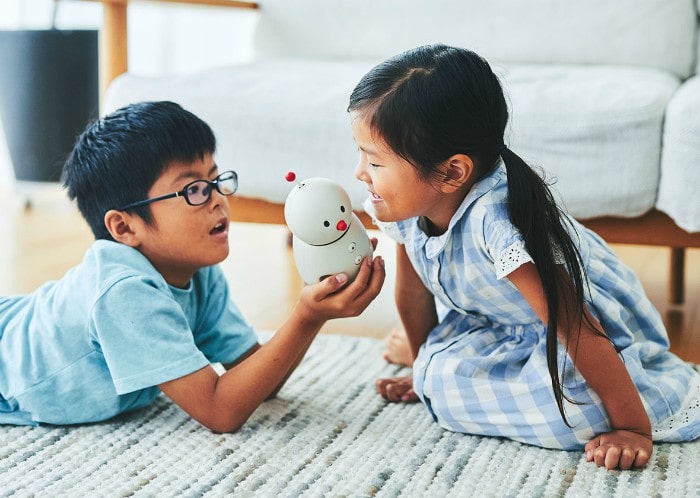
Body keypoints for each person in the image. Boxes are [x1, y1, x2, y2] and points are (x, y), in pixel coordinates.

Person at [348, 44, 700, 471]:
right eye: (362, 156)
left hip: (580, 330)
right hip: (503, 326)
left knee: (573, 414)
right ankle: (424, 366)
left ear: (452, 172)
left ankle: (637, 401)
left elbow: (574, 324)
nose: (360, 173)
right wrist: (423, 373)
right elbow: (413, 296)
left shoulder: (498, 222)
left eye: (375, 161)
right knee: (436, 381)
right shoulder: (403, 208)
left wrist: (632, 428)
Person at [0, 101, 385, 432]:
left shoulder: (198, 272)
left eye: (216, 180)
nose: (218, 200)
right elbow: (220, 411)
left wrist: (316, 308)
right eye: (194, 190)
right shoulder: (124, 293)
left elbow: (258, 380)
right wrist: (306, 316)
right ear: (124, 227)